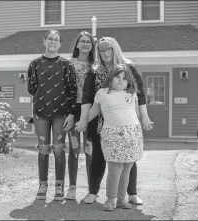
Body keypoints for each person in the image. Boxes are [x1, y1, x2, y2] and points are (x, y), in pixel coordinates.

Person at [75, 37, 153, 205]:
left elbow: (139, 94)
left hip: (125, 122)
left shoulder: (129, 67)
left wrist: (144, 117)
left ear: (115, 49)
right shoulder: (93, 71)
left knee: (127, 158)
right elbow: (87, 99)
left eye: (108, 49)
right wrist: (83, 120)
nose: (105, 53)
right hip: (99, 121)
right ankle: (93, 192)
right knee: (97, 156)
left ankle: (131, 194)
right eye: (102, 50)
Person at [27, 30, 77, 201]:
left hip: (60, 114)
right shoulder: (35, 64)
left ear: (60, 44)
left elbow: (72, 90)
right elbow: (32, 88)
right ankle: (42, 185)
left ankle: (59, 186)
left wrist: (71, 114)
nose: (53, 42)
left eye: (56, 40)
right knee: (43, 149)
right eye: (50, 39)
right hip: (41, 114)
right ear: (45, 41)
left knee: (58, 149)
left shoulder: (65, 64)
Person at [87, 64, 144, 211]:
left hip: (132, 134)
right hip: (112, 135)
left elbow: (135, 113)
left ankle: (121, 199)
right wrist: (81, 122)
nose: (120, 81)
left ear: (128, 82)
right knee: (115, 169)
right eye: (117, 77)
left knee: (127, 168)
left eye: (124, 79)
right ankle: (110, 199)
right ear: (110, 77)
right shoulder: (103, 93)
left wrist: (141, 125)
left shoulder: (131, 93)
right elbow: (93, 111)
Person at [66, 31, 95, 200]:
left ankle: (92, 188)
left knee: (90, 149)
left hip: (91, 112)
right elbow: (65, 90)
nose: (85, 44)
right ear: (77, 44)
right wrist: (69, 113)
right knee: (74, 148)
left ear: (92, 46)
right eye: (82, 41)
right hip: (74, 111)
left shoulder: (96, 64)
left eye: (88, 42)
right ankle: (72, 187)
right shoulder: (69, 64)